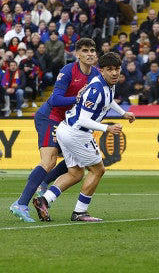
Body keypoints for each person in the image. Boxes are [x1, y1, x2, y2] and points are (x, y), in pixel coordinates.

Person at [33, 52, 135, 222]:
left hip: (66, 129)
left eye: (117, 69)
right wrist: (107, 128)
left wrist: (123, 113)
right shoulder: (95, 90)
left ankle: (44, 200)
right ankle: (80, 212)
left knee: (75, 173)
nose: (115, 73)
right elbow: (83, 119)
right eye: (110, 69)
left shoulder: (108, 83)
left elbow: (109, 101)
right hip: (77, 133)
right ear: (101, 70)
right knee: (98, 170)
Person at [9, 38, 98, 222]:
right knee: (48, 160)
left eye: (92, 50)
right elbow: (55, 99)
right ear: (77, 54)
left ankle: (43, 182)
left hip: (69, 123)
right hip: (50, 117)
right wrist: (77, 99)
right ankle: (21, 203)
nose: (90, 54)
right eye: (85, 51)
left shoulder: (96, 75)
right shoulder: (68, 71)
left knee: (77, 162)